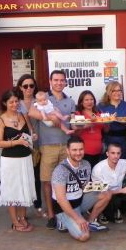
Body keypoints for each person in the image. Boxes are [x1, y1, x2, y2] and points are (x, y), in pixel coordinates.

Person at [28, 69, 77, 230]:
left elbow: (73, 123)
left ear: (65, 82)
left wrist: (82, 124)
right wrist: (53, 118)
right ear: (50, 81)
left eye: (62, 80)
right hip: (47, 146)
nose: (59, 83)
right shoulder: (42, 98)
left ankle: (65, 212)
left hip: (66, 146)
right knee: (47, 181)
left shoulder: (70, 101)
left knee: (65, 181)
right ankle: (51, 215)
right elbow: (31, 112)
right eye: (56, 80)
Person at [51, 136, 112, 241]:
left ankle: (90, 222)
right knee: (84, 236)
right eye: (74, 150)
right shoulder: (60, 170)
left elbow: (84, 186)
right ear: (68, 151)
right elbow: (61, 199)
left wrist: (99, 187)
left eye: (81, 149)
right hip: (64, 207)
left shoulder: (86, 164)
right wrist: (77, 218)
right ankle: (63, 219)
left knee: (107, 193)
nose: (78, 153)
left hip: (79, 202)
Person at [0, 90, 37, 232]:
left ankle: (22, 217)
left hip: (25, 158)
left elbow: (30, 133)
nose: (14, 104)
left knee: (24, 187)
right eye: (11, 102)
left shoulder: (23, 116)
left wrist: (32, 137)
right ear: (5, 103)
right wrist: (17, 142)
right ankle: (14, 221)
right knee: (12, 189)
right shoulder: (0, 121)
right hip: (10, 160)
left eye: (16, 101)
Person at [15, 73, 42, 217]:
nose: (28, 88)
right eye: (25, 86)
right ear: (20, 87)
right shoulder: (16, 103)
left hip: (39, 142)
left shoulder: (39, 101)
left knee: (37, 176)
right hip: (22, 143)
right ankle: (23, 209)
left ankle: (38, 205)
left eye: (31, 85)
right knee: (23, 176)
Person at [91, 142, 126, 223]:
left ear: (121, 154)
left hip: (119, 192)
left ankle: (117, 211)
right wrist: (121, 190)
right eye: (113, 153)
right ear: (107, 154)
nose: (116, 156)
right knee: (114, 201)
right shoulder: (98, 168)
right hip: (104, 195)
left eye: (118, 153)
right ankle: (103, 213)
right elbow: (99, 191)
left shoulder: (124, 163)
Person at [72, 90, 107, 168]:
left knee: (96, 173)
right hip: (84, 151)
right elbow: (76, 133)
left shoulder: (98, 113)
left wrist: (107, 123)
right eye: (86, 100)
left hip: (98, 150)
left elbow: (105, 130)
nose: (89, 102)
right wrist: (89, 124)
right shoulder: (79, 114)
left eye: (91, 99)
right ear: (81, 102)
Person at [98, 81, 126, 159]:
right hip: (108, 139)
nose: (117, 93)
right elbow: (98, 122)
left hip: (123, 139)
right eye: (114, 90)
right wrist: (107, 121)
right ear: (109, 92)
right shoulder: (101, 106)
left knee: (123, 161)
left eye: (119, 90)